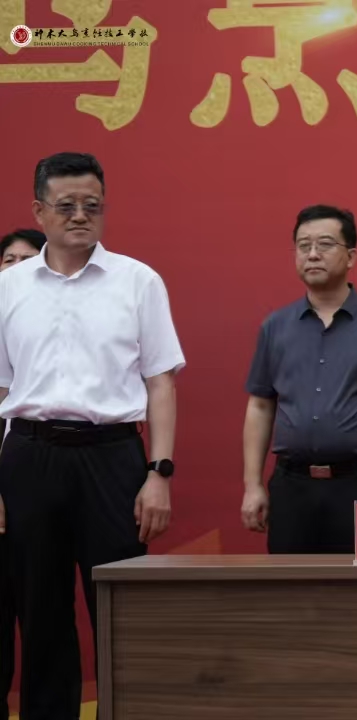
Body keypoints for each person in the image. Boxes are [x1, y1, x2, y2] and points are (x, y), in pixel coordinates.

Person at [0, 152, 184, 717]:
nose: (80, 216)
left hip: (112, 457)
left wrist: (158, 472)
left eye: (92, 205)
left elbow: (160, 383)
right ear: (39, 211)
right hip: (29, 456)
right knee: (40, 609)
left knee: (120, 605)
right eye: (67, 206)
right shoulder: (9, 287)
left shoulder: (137, 281)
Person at [240, 205, 357, 553]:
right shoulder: (275, 327)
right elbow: (260, 406)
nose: (312, 254)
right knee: (291, 584)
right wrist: (252, 485)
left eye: (325, 244)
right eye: (303, 246)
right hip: (292, 486)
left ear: (351, 256)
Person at [0, 227, 43, 719]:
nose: (15, 269)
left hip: (28, 493)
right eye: (8, 260)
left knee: (40, 616)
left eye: (27, 260)